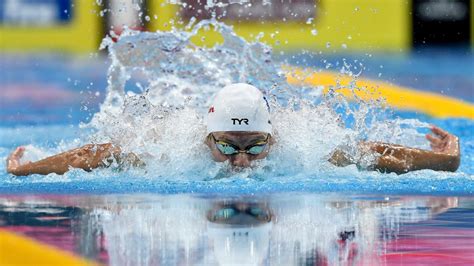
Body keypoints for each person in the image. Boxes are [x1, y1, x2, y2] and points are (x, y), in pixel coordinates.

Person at [6, 83, 460, 176]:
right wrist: (27, 172)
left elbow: (371, 153)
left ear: (274, 138)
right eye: (226, 145)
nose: (241, 161)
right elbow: (96, 152)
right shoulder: (169, 150)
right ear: (206, 138)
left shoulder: (303, 149)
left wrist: (446, 161)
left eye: (255, 147)